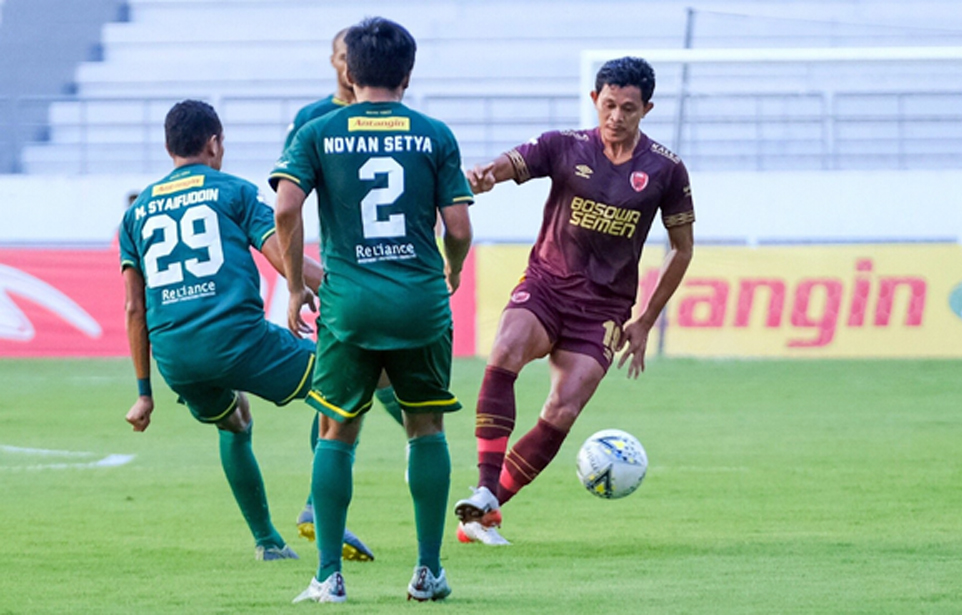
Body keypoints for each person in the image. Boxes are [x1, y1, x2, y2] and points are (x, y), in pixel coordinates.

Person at [453, 56, 695, 545]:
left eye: (629, 108)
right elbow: (513, 162)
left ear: (647, 108)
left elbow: (682, 248)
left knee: (562, 409)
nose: (616, 116)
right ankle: (483, 490)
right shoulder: (564, 146)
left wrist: (646, 319)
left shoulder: (665, 170)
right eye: (608, 105)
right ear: (594, 100)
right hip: (546, 285)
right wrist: (485, 176)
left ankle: (485, 514)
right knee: (503, 353)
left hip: (604, 309)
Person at [271, 17, 473, 604]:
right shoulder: (433, 134)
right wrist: (451, 268)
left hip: (348, 302)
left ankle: (328, 577)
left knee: (336, 429)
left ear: (349, 72)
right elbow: (458, 225)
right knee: (426, 427)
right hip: (419, 299)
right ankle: (428, 572)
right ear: (408, 75)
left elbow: (285, 210)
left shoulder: (317, 130)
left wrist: (292, 284)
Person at [119, 99, 371, 563]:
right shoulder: (232, 191)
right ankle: (318, 506)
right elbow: (280, 250)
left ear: (168, 146)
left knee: (234, 422)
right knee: (345, 385)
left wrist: (144, 393)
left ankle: (267, 542)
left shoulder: (135, 214)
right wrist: (332, 287)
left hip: (176, 356)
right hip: (239, 341)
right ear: (214, 143)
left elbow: (135, 308)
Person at [282, 26, 404, 549]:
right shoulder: (313, 120)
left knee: (355, 389)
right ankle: (320, 504)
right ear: (338, 62)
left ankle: (318, 508)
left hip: (363, 282)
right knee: (363, 392)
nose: (341, 63)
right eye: (336, 52)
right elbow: (291, 206)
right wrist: (302, 276)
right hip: (352, 277)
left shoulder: (392, 120)